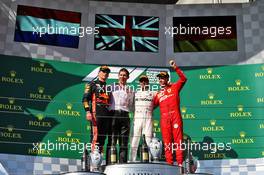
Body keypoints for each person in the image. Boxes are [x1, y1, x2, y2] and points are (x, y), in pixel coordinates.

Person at [154, 60, 187, 166]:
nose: (161, 80)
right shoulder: (158, 94)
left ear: (167, 79)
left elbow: (184, 79)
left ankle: (180, 164)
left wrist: (175, 67)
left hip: (175, 115)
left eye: (163, 78)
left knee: (178, 141)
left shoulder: (174, 87)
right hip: (164, 118)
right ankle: (169, 164)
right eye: (160, 78)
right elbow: (151, 106)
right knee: (167, 143)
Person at [82, 65, 112, 164]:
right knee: (95, 138)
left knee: (102, 140)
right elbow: (85, 99)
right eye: (103, 71)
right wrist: (87, 111)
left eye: (107, 72)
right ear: (99, 73)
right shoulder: (92, 84)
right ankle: (93, 163)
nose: (105, 74)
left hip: (106, 117)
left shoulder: (108, 87)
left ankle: (99, 161)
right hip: (96, 115)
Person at [109, 68, 134, 163]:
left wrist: (129, 96)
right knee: (112, 141)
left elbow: (131, 107)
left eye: (124, 75)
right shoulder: (111, 87)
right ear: (118, 76)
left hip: (125, 115)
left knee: (123, 142)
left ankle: (123, 164)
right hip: (113, 114)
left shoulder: (130, 90)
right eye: (121, 75)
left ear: (128, 77)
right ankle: (110, 164)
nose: (122, 77)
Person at [130, 75, 156, 162]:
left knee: (148, 140)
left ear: (148, 82)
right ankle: (132, 160)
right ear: (139, 83)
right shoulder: (135, 93)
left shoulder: (153, 93)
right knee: (134, 140)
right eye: (142, 81)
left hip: (148, 117)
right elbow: (131, 106)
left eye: (145, 81)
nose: (143, 82)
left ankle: (148, 160)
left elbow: (157, 103)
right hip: (137, 117)